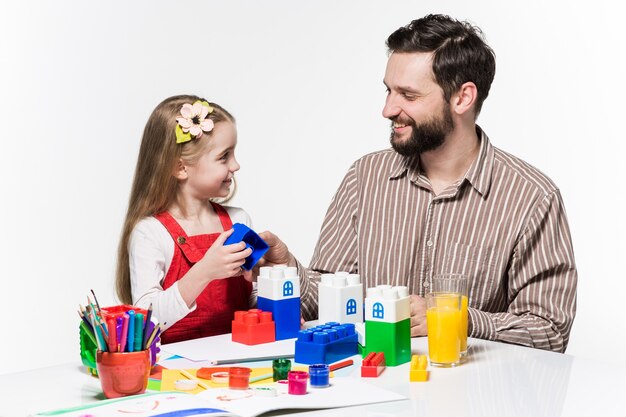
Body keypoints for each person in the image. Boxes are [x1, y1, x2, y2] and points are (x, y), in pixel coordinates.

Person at [260, 14, 577, 353]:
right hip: (373, 391)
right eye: (388, 91)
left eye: (408, 95)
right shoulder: (364, 177)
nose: (387, 109)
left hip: (468, 397)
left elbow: (549, 330)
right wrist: (288, 273)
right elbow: (331, 300)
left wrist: (455, 318)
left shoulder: (531, 196)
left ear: (462, 98)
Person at [115, 94, 259, 344]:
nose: (235, 165)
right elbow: (146, 320)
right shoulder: (150, 232)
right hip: (177, 373)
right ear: (180, 167)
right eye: (224, 156)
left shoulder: (238, 220)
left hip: (238, 363)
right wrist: (203, 272)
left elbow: (252, 297)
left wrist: (276, 307)